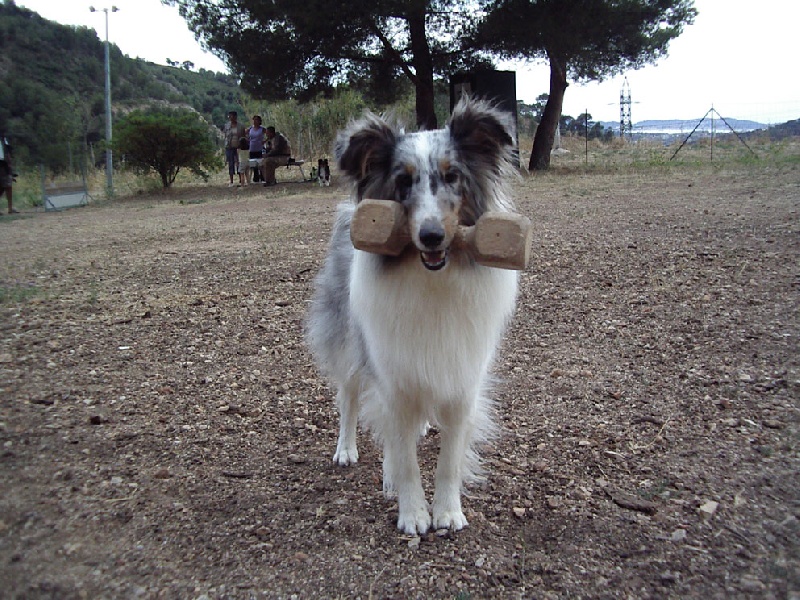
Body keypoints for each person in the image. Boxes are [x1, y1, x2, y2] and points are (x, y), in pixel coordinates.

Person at [223, 111, 246, 188]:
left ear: (235, 117)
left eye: (232, 116)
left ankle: (241, 179)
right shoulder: (227, 126)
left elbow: (243, 136)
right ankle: (231, 181)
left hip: (238, 147)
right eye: (229, 117)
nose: (230, 118)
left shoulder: (241, 126)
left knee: (239, 163)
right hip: (229, 147)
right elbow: (225, 135)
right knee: (231, 163)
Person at [0, 134, 17, 215]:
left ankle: (10, 208)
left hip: (4, 164)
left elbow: (8, 151)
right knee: (4, 187)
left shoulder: (3, 138)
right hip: (2, 164)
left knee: (6, 186)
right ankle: (9, 208)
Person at [248, 115, 266, 183]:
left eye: (256, 120)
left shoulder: (262, 129)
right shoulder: (250, 128)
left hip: (260, 148)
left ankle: (263, 177)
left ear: (259, 121)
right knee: (253, 164)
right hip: (252, 148)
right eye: (254, 120)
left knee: (261, 163)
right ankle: (256, 178)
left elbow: (269, 134)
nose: (255, 121)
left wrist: (265, 141)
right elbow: (245, 133)